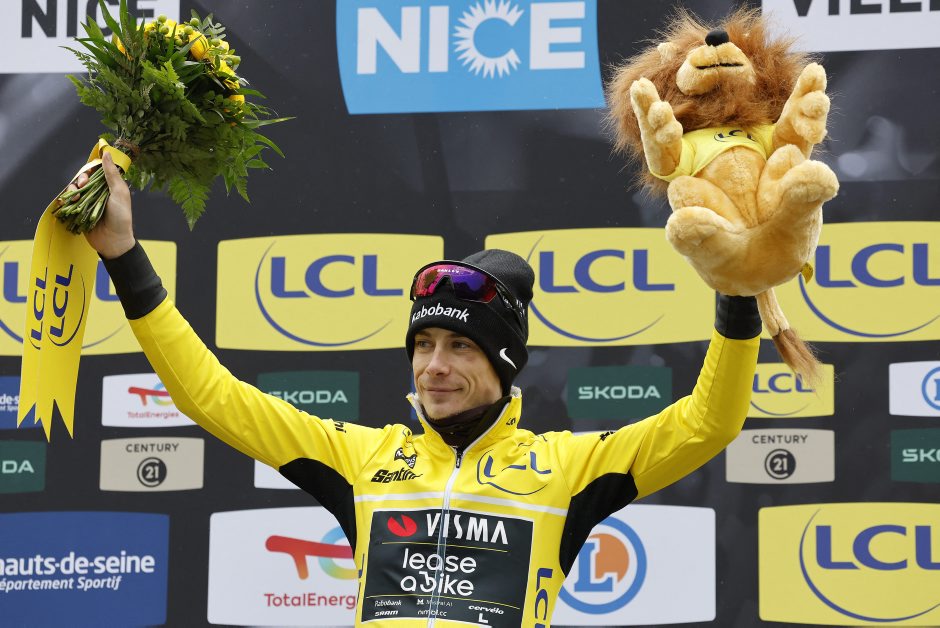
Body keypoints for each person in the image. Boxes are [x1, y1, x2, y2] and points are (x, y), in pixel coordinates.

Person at [73, 152, 760, 626]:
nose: (434, 366)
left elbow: (710, 422)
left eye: (460, 347)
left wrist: (736, 293)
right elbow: (210, 395)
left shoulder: (568, 468)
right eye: (423, 345)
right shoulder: (360, 458)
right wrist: (125, 257)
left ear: (504, 364)